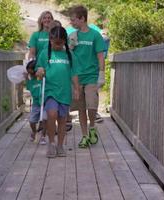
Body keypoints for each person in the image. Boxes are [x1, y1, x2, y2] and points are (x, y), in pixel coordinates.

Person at [36, 26, 80, 158]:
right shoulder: (45, 53)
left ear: (65, 41)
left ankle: (60, 145)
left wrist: (77, 88)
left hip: (64, 92)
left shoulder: (69, 55)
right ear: (50, 40)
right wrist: (40, 71)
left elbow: (74, 74)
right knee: (51, 113)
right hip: (50, 91)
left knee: (62, 119)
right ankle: (51, 143)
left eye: (60, 43)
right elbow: (38, 71)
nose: (58, 45)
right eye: (55, 43)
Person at [69, 5, 106, 148]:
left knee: (92, 106)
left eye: (74, 20)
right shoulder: (73, 36)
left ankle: (92, 127)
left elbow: (100, 56)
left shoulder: (95, 35)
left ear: (82, 18)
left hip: (91, 76)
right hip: (77, 78)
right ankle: (84, 136)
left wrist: (101, 74)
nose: (72, 23)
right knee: (81, 108)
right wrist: (70, 47)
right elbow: (67, 55)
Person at [25, 60, 47, 145]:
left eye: (32, 73)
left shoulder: (44, 80)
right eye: (29, 73)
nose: (31, 75)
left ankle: (43, 136)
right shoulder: (31, 81)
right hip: (36, 105)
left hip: (45, 103)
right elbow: (29, 88)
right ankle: (34, 132)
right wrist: (27, 78)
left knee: (45, 120)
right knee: (32, 121)